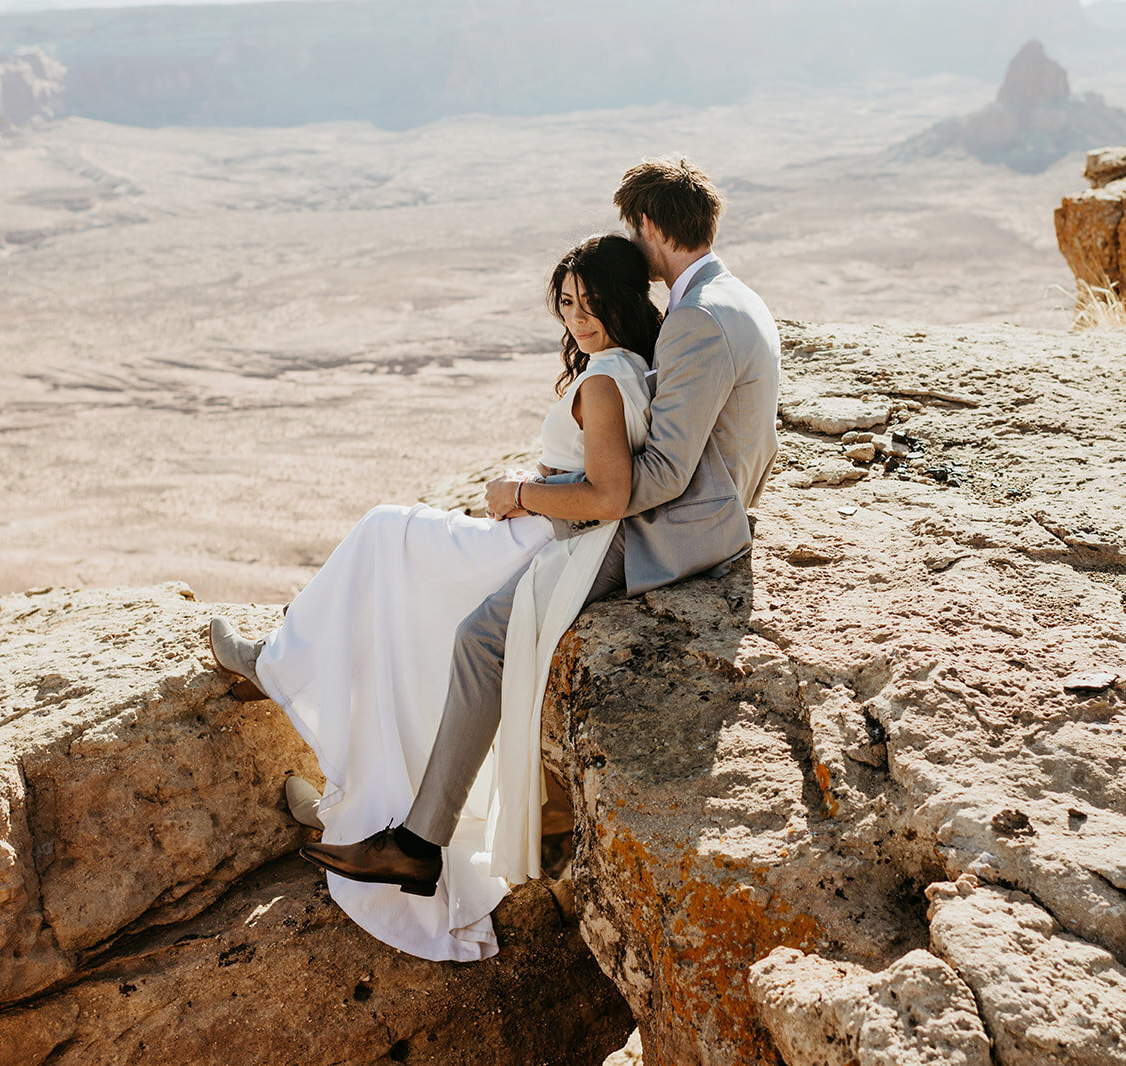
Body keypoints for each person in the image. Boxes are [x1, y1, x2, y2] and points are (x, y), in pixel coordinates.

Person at [287, 157, 780, 925]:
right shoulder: (733, 298)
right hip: (703, 515)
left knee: (486, 636)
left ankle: (419, 842)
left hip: (674, 534)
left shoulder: (698, 320)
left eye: (630, 228)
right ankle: (404, 811)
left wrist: (538, 497)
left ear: (649, 227)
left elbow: (651, 481)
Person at [209, 232, 662, 961]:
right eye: (569, 305)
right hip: (545, 538)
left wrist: (519, 491)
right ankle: (346, 785)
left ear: (624, 299)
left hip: (541, 544)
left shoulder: (605, 382)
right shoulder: (636, 366)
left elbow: (608, 494)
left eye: (593, 303)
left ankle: (278, 664)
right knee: (396, 588)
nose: (579, 319)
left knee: (384, 533)